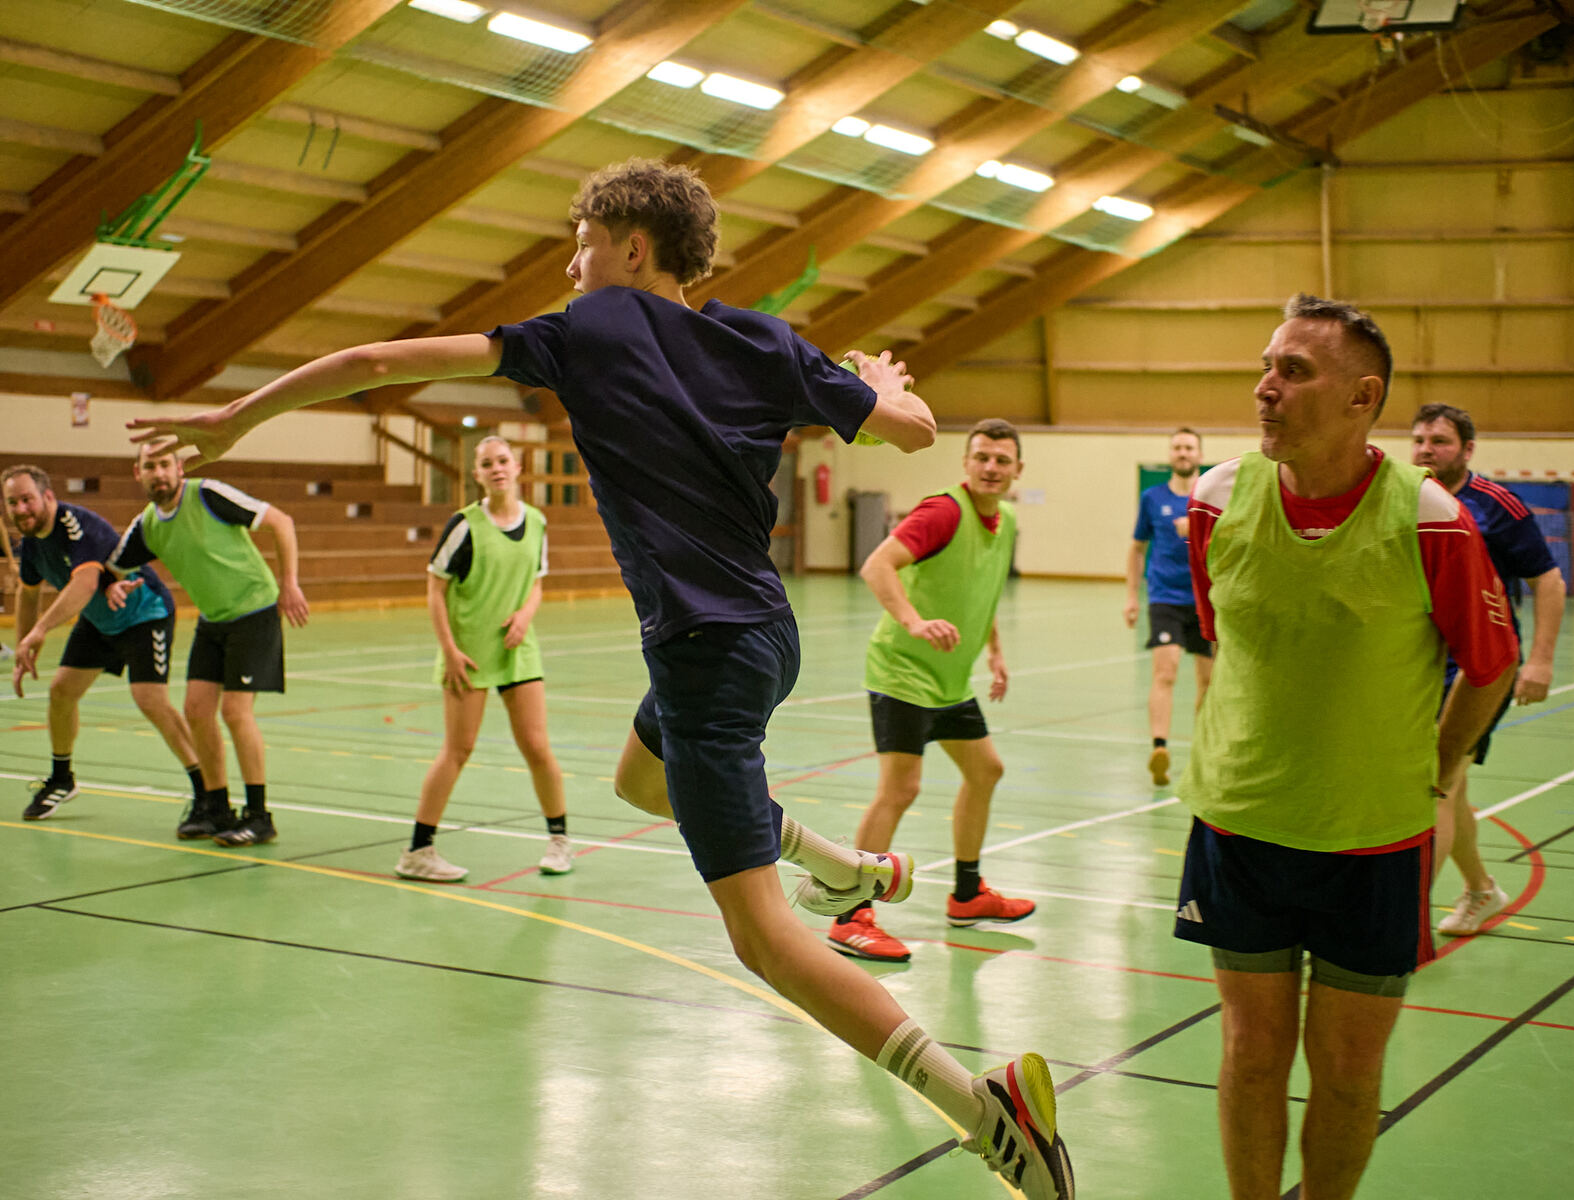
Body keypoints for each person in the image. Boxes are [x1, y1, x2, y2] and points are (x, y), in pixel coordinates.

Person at [126, 158, 1075, 1200]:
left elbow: (373, 358)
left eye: (581, 246)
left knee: (763, 938)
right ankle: (840, 866)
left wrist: (241, 418)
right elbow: (916, 431)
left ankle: (986, 1112)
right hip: (761, 634)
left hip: (706, 656)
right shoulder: (764, 339)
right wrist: (884, 389)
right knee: (636, 781)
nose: (570, 267)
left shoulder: (588, 330)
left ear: (631, 248)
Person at [1176, 295, 1517, 1200]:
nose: (1266, 387)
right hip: (1240, 829)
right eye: (1266, 366)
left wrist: (1439, 771)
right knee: (1250, 1053)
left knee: (1347, 1071)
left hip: (1374, 844)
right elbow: (1222, 634)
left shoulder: (1431, 518)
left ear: (1363, 397)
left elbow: (1491, 664)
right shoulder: (1215, 499)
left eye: (1294, 372)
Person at [827, 417, 1033, 964]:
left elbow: (981, 589)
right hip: (902, 672)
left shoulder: (1007, 520)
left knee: (986, 770)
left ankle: (967, 895)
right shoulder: (943, 512)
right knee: (901, 789)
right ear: (966, 463)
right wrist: (914, 622)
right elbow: (877, 566)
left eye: (1002, 460)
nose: (991, 467)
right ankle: (850, 915)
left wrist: (995, 650)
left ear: (1018, 469)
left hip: (948, 681)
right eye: (981, 457)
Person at [1411, 403, 1565, 934]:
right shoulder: (1409, 498)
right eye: (1420, 440)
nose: (1427, 450)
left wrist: (1539, 661)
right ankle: (1480, 889)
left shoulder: (1497, 506)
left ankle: (1405, 923)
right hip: (1422, 661)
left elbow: (1549, 581)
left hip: (1480, 667)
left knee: (1436, 783)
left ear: (1467, 449)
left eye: (1440, 441)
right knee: (1449, 785)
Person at [107, 447, 309, 846]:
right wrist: (112, 584)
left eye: (165, 464)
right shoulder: (147, 525)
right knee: (196, 710)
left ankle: (259, 816)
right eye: (150, 466)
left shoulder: (208, 494)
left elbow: (281, 522)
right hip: (213, 619)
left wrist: (289, 583)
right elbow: (112, 566)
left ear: (179, 468)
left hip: (254, 610)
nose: (159, 473)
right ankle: (216, 809)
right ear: (137, 473)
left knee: (235, 712)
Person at [397, 434, 572, 882]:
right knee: (458, 750)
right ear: (477, 474)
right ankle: (417, 851)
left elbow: (536, 581)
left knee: (537, 747)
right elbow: (435, 589)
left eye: (503, 460)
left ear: (517, 467)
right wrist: (449, 650)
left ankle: (559, 841)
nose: (497, 469)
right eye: (488, 463)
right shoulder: (464, 525)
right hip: (469, 654)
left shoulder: (537, 522)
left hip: (518, 650)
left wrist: (525, 615)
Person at [3, 464, 205, 822]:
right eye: (12, 502)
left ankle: (208, 791)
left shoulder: (76, 525)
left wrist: (41, 631)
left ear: (47, 496)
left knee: (150, 699)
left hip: (144, 613)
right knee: (61, 692)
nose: (20, 509)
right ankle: (62, 779)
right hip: (99, 620)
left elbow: (84, 584)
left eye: (27, 499)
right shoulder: (32, 543)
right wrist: (23, 647)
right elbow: (28, 593)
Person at [1123, 428, 1212, 787]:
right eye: (1177, 447)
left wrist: (1195, 529)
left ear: (1199, 455)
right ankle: (1159, 747)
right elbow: (1137, 548)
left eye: (1189, 447)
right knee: (1166, 672)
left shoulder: (1210, 498)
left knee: (1208, 680)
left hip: (1205, 599)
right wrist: (1132, 596)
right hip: (1165, 598)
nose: (1183, 452)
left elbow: (1229, 539)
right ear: (1170, 454)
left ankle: (1204, 750)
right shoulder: (1152, 498)